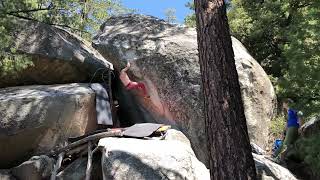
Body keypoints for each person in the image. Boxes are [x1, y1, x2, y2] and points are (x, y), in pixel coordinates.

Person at [273, 98, 301, 162]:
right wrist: (285, 130)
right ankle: (274, 155)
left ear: (287, 103)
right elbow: (288, 121)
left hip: (294, 127)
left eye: (284, 103)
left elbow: (300, 116)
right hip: (290, 128)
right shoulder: (288, 110)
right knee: (283, 143)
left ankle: (279, 159)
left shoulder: (293, 109)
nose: (283, 104)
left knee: (286, 144)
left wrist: (300, 127)